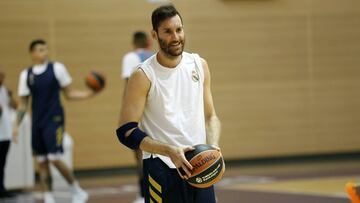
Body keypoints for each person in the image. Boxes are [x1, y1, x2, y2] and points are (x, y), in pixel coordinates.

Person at [117, 5, 221, 203]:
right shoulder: (143, 75)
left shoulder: (199, 65)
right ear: (154, 35)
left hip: (200, 166)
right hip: (161, 169)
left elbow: (211, 117)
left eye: (179, 30)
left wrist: (213, 145)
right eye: (168, 31)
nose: (175, 37)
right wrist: (169, 151)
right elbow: (126, 130)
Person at [13, 39, 101, 203]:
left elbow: (69, 93)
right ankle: (48, 196)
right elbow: (23, 103)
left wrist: (88, 94)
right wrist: (16, 126)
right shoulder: (26, 75)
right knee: (41, 161)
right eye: (40, 50)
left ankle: (76, 189)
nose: (44, 52)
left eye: (45, 49)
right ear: (32, 53)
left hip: (54, 119)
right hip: (37, 121)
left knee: (54, 157)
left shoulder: (57, 68)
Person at [121, 31, 153, 203]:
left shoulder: (130, 58)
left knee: (140, 154)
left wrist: (126, 114)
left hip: (138, 111)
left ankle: (143, 195)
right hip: (156, 111)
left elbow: (129, 87)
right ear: (149, 42)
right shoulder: (156, 56)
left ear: (134, 42)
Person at [0, 71, 17, 198]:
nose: (2, 78)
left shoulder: (4, 90)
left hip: (5, 133)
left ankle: (2, 188)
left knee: (2, 163)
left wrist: (11, 98)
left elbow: (15, 106)